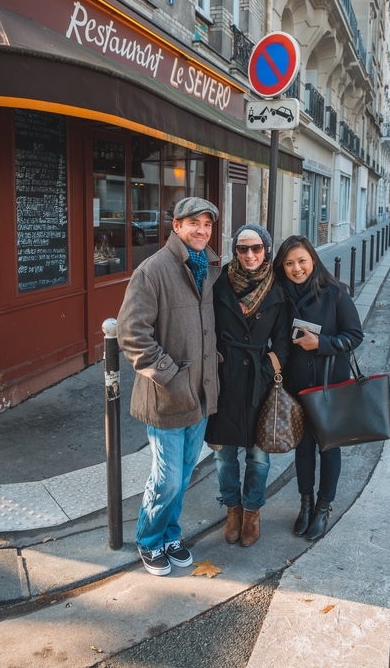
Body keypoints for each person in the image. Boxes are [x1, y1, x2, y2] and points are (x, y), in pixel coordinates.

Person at [117, 197, 221, 576]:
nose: (201, 231)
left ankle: (171, 535)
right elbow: (131, 335)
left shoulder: (210, 265)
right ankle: (149, 539)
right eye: (194, 223)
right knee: (166, 476)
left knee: (185, 474)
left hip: (201, 391)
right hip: (166, 395)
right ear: (176, 226)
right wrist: (169, 374)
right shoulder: (152, 270)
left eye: (207, 225)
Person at [273, 235, 363, 542]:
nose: (296, 268)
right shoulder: (279, 293)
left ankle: (324, 507)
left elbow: (354, 335)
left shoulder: (335, 292)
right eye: (289, 263)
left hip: (328, 384)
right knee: (303, 448)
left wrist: (321, 344)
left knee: (329, 448)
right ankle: (306, 504)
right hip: (295, 385)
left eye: (302, 261)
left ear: (313, 260)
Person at [205, 224, 290, 547]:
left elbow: (283, 341)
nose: (250, 254)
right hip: (225, 380)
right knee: (224, 456)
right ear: (235, 251)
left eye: (256, 248)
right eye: (243, 249)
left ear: (267, 249)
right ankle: (232, 509)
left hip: (259, 383)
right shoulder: (219, 283)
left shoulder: (277, 288)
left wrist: (267, 369)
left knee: (258, 457)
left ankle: (252, 511)